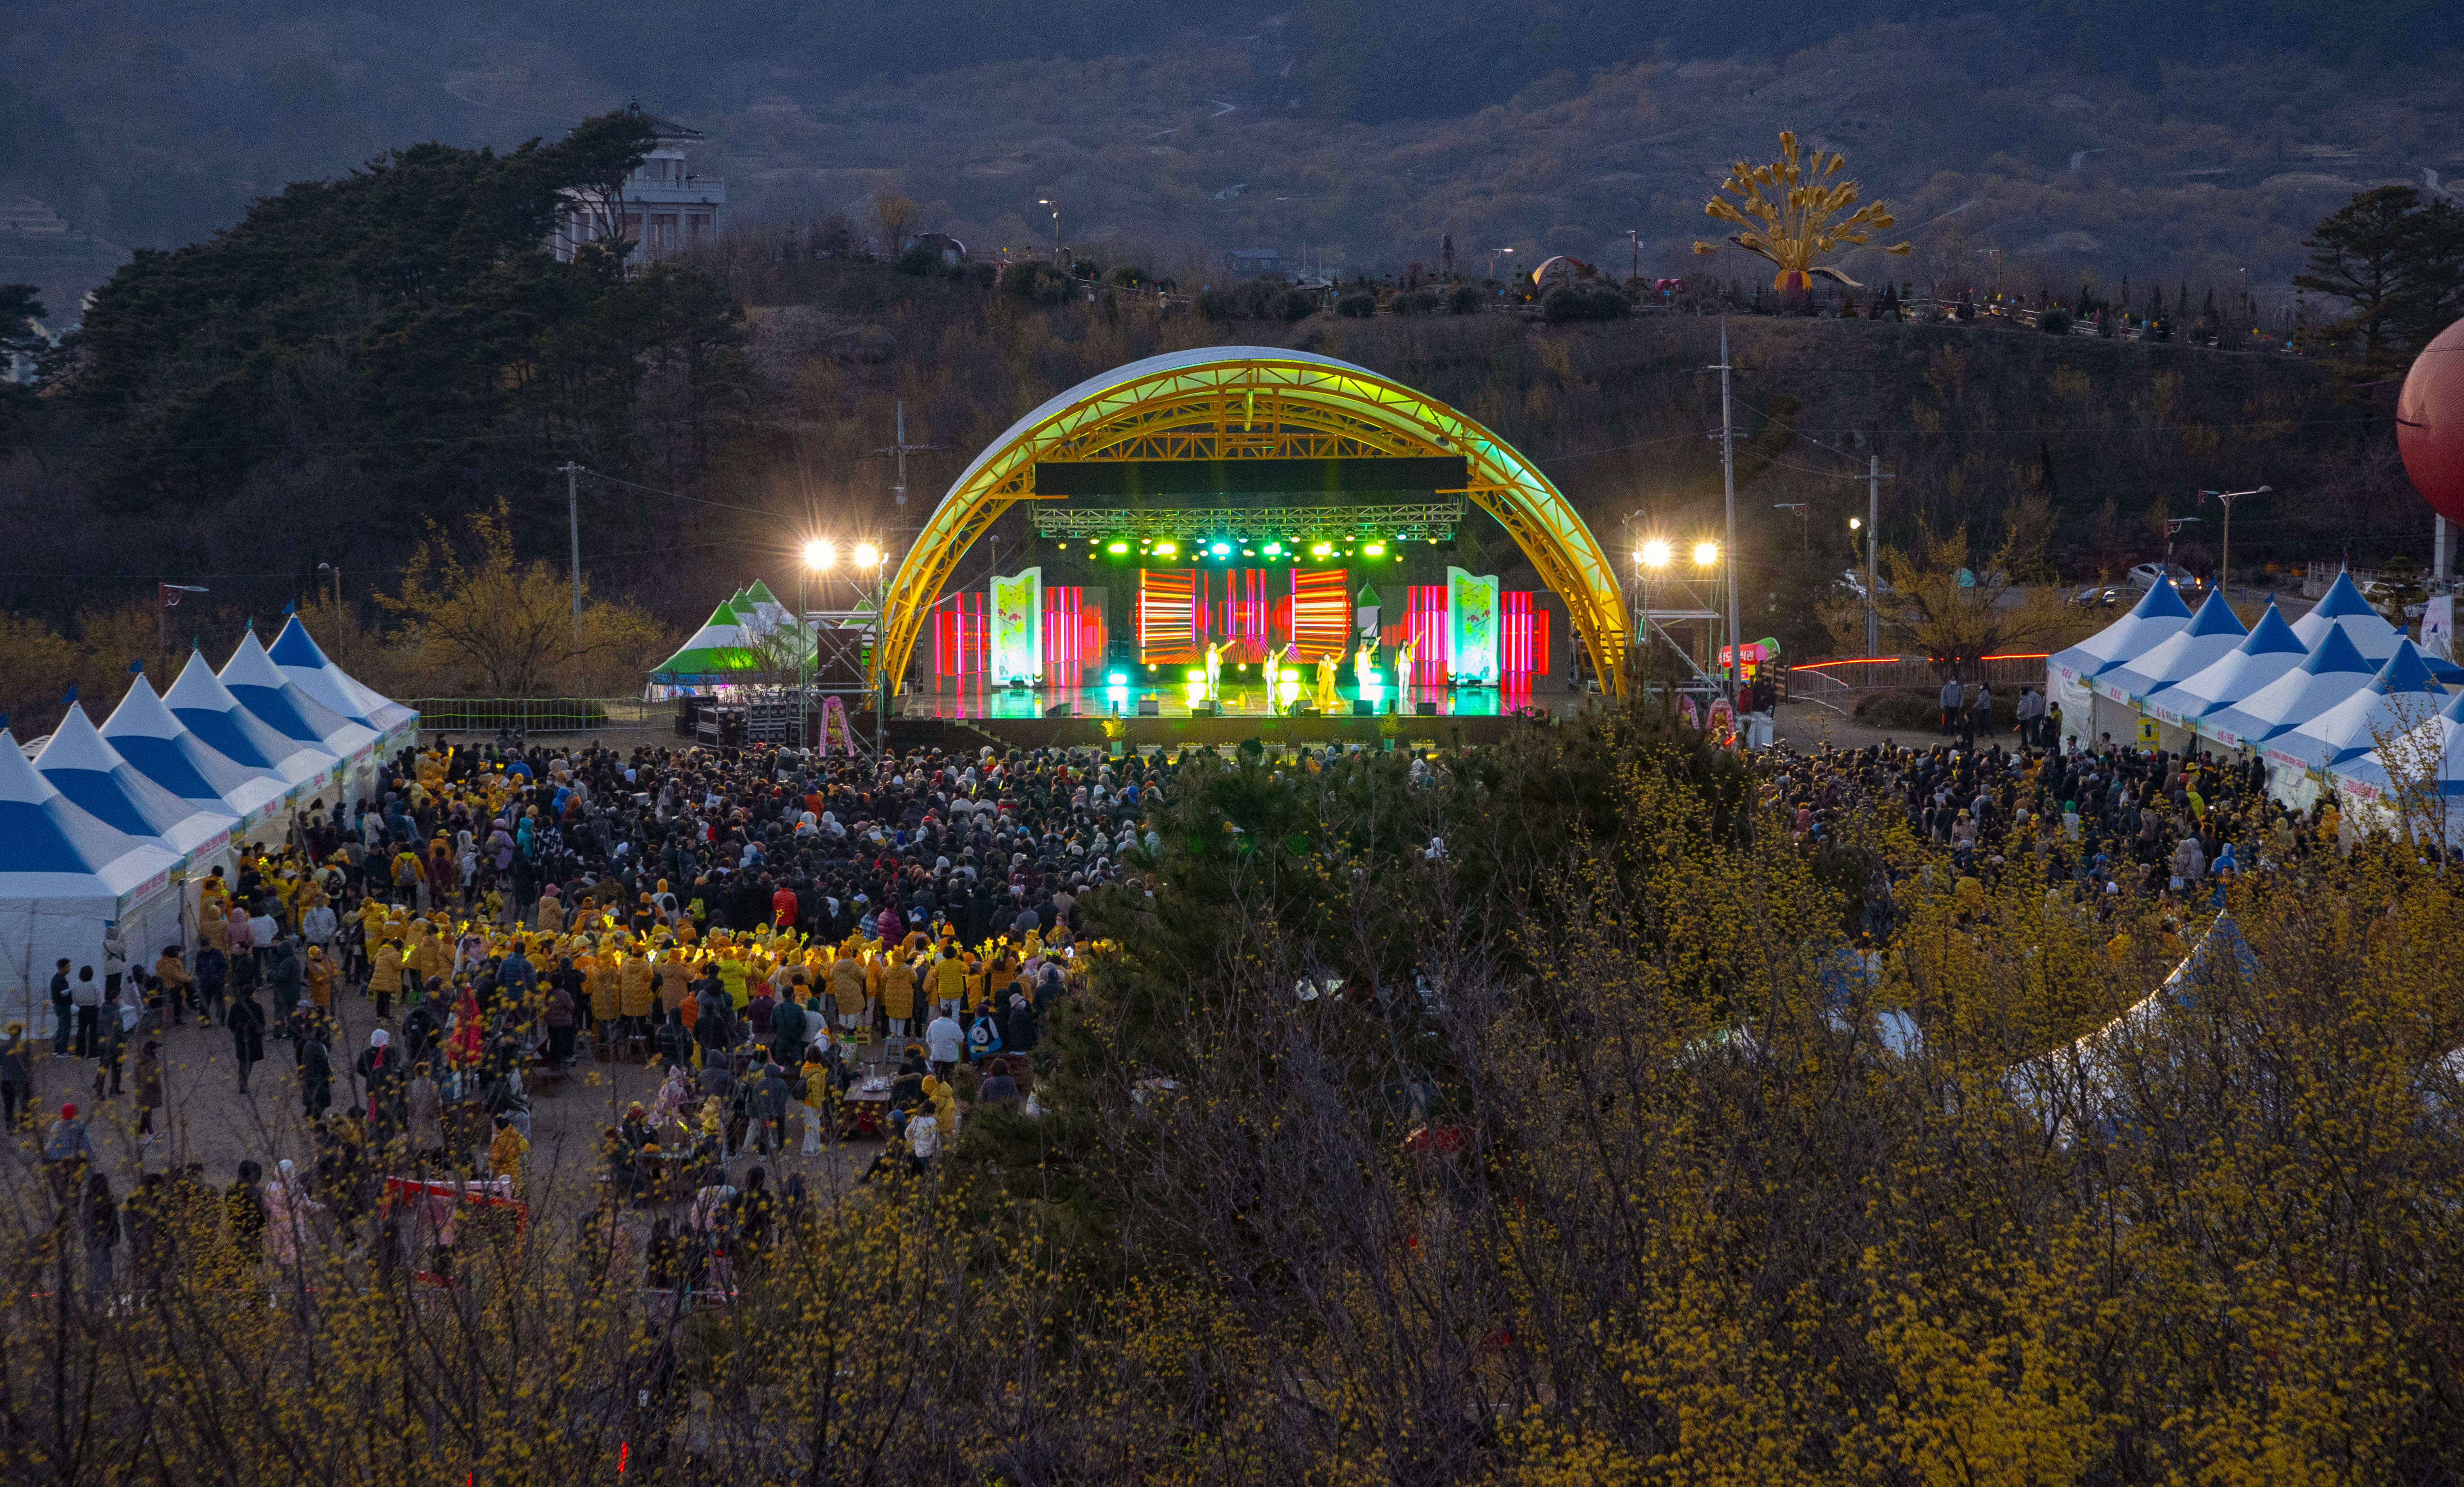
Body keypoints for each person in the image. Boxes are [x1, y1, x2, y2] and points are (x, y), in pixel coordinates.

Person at [81, 1171, 119, 1311]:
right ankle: (98, 1307)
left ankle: (93, 1307)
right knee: (102, 1276)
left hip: (94, 1245)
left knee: (95, 1277)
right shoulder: (101, 1203)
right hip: (101, 1245)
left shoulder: (89, 1202)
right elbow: (106, 1224)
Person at [43, 1101, 93, 1203]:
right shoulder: (79, 1127)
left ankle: (64, 1211)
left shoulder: (56, 1126)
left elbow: (50, 1146)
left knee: (63, 1189)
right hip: (75, 1162)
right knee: (75, 1188)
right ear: (75, 1114)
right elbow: (87, 1146)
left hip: (57, 1161)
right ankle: (74, 1211)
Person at [226, 986, 267, 1096]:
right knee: (249, 1061)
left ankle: (242, 1081)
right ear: (252, 994)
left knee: (242, 1059)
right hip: (253, 1037)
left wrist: (236, 1031)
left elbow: (230, 1022)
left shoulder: (235, 1007)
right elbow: (262, 1023)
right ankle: (244, 1081)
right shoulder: (257, 1007)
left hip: (241, 1037)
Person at [299, 1019, 334, 1119]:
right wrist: (330, 1076)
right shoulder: (320, 1048)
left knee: (311, 1100)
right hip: (319, 1079)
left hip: (308, 1077)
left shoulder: (308, 1045)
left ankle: (310, 1115)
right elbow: (325, 1064)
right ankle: (313, 1120)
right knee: (320, 1102)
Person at [0, 1022, 30, 1131]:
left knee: (9, 1106)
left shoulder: (3, 1048)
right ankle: (25, 1124)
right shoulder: (25, 1047)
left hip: (7, 1080)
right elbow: (29, 1064)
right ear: (20, 1033)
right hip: (22, 1080)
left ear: (9, 1033)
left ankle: (10, 1126)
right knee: (25, 1104)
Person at [132, 1040, 163, 1142]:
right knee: (147, 1114)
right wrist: (158, 1088)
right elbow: (153, 1080)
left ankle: (142, 1133)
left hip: (140, 1090)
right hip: (149, 1092)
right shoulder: (152, 1063)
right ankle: (150, 1134)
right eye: (156, 1049)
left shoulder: (139, 1059)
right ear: (153, 1050)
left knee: (146, 1112)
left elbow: (136, 1076)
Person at [489, 1113, 529, 1195]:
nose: (492, 1128)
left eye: (493, 1125)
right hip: (504, 1173)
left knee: (507, 1199)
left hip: (507, 1175)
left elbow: (507, 1156)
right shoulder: (502, 1136)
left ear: (498, 1126)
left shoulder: (506, 1138)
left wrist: (492, 1157)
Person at [924, 1008, 964, 1078]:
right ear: (951, 1016)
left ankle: (937, 1088)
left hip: (936, 1055)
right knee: (949, 1078)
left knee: (937, 1076)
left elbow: (929, 1039)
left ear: (941, 1014)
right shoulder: (954, 1026)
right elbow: (961, 1039)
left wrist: (933, 1047)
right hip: (950, 1057)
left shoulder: (933, 1024)